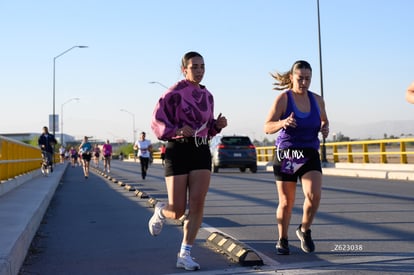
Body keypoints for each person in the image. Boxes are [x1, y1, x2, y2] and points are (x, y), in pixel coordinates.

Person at [150, 51, 227, 271]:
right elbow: (157, 123)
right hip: (178, 150)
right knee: (177, 211)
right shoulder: (174, 92)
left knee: (197, 203)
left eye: (202, 66)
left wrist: (217, 125)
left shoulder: (208, 96)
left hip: (201, 150)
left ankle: (185, 253)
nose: (199, 70)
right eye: (194, 66)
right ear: (184, 69)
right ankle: (161, 211)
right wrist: (176, 130)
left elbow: (207, 129)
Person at [263, 60, 329, 255]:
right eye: (300, 78)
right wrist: (283, 122)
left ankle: (304, 229)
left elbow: (324, 119)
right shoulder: (283, 99)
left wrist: (325, 127)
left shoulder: (317, 100)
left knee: (314, 195)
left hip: (309, 153)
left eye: (308, 79)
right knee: (286, 202)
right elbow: (267, 127)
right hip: (288, 154)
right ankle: (282, 239)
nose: (304, 82)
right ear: (292, 78)